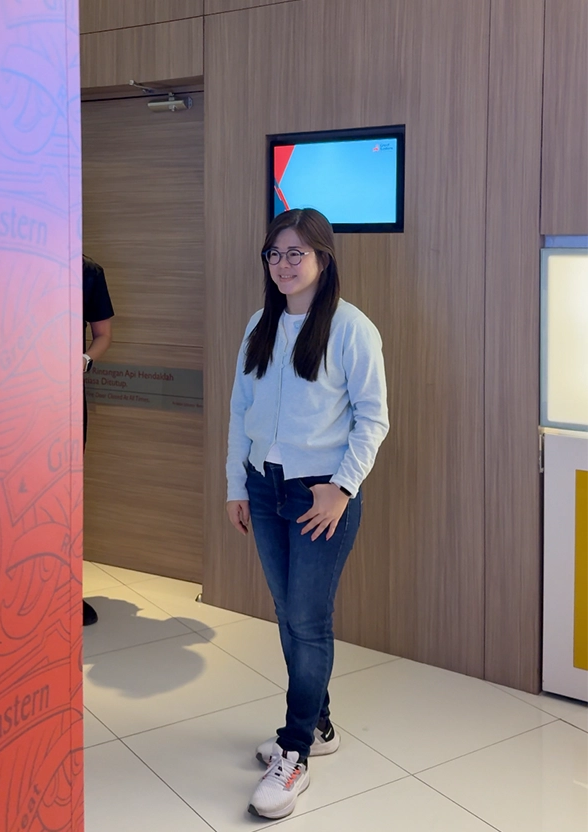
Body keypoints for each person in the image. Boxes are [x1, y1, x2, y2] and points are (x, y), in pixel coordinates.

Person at [225, 208, 389, 820]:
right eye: (274, 253)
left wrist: (341, 488)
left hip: (321, 495)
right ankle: (317, 725)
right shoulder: (259, 325)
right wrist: (235, 485)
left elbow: (374, 419)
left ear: (323, 257)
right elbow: (242, 408)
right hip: (264, 488)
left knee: (308, 619)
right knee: (287, 614)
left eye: (296, 253)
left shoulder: (351, 328)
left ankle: (293, 752)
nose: (284, 264)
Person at [82, 254, 115, 626]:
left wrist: (84, 360)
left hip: (65, 397)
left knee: (66, 495)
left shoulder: (88, 271)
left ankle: (63, 589)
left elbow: (103, 335)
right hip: (8, 393)